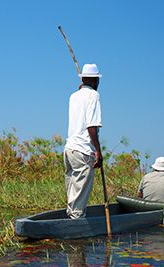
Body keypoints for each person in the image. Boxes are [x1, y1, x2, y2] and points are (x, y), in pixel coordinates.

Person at [64, 63, 103, 219]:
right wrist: (98, 151)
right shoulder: (93, 95)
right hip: (82, 150)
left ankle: (71, 215)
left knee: (72, 188)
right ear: (94, 80)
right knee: (79, 192)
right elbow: (91, 126)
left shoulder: (74, 96)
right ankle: (76, 222)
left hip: (69, 149)